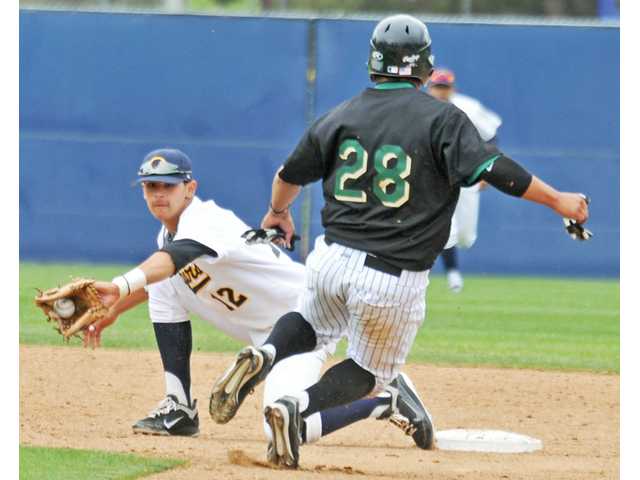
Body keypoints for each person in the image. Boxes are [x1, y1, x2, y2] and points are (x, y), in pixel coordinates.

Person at [207, 14, 589, 469]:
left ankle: (266, 353)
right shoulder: (443, 118)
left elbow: (288, 175)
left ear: (373, 62)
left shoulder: (340, 114)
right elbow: (494, 169)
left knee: (312, 323)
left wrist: (277, 213)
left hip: (331, 257)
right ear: (425, 66)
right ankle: (297, 408)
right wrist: (558, 200)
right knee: (371, 374)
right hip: (391, 275)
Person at [87, 148, 434, 450]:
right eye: (151, 186)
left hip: (303, 321)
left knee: (284, 426)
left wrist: (119, 284)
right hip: (261, 333)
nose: (159, 193)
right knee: (164, 281)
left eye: (168, 185)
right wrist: (114, 307)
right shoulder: (169, 234)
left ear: (190, 189)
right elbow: (161, 273)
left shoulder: (206, 220)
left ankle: (384, 400)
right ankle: (178, 406)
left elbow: (172, 260)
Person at [428, 68, 503, 293]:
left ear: (453, 88)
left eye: (445, 87)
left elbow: (491, 136)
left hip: (466, 175)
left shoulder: (467, 107)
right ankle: (450, 275)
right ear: (428, 87)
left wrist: (488, 172)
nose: (441, 92)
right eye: (437, 87)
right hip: (433, 176)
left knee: (465, 236)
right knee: (442, 226)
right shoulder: (419, 108)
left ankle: (448, 271)